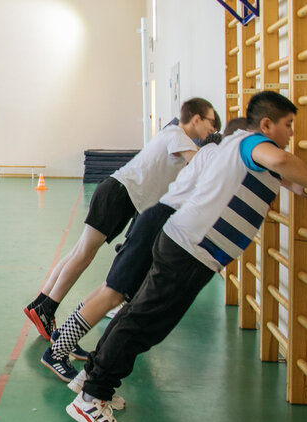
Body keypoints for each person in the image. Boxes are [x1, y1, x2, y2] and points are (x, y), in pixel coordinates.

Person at [66, 91, 307, 422]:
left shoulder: (239, 148)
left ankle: (92, 378)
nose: (292, 134)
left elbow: (286, 176)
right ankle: (91, 396)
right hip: (190, 248)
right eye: (288, 125)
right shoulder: (252, 144)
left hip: (187, 244)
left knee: (140, 316)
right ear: (266, 125)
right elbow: (282, 162)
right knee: (145, 322)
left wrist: (300, 183)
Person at [42, 118, 253, 383]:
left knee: (115, 294)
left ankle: (72, 354)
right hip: (160, 222)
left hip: (160, 222)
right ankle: (57, 351)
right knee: (112, 294)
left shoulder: (211, 154)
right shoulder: (216, 157)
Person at [24, 97, 220, 342]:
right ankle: (47, 308)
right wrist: (222, 153)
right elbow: (200, 163)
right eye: (211, 123)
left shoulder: (172, 134)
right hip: (118, 195)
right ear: (196, 118)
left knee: (79, 252)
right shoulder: (178, 136)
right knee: (83, 254)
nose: (212, 130)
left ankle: (40, 303)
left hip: (120, 195)